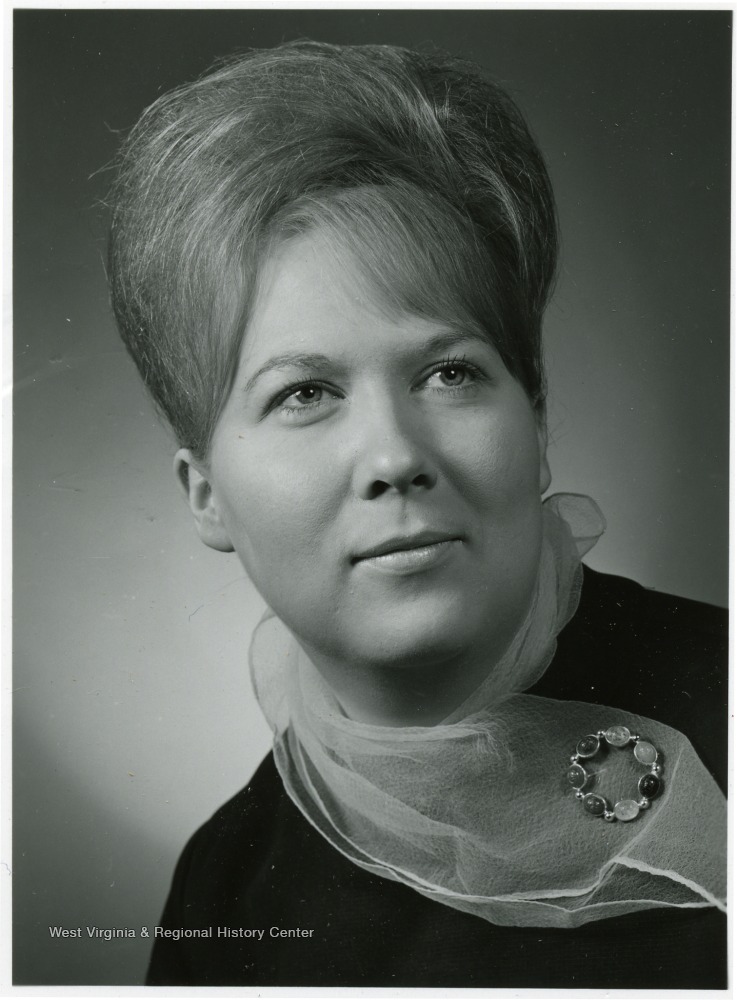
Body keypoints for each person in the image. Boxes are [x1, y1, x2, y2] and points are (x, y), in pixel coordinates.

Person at [107, 41, 726, 989]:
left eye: (449, 373)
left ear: (536, 421)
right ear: (206, 495)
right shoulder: (224, 884)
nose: (396, 456)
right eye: (305, 393)